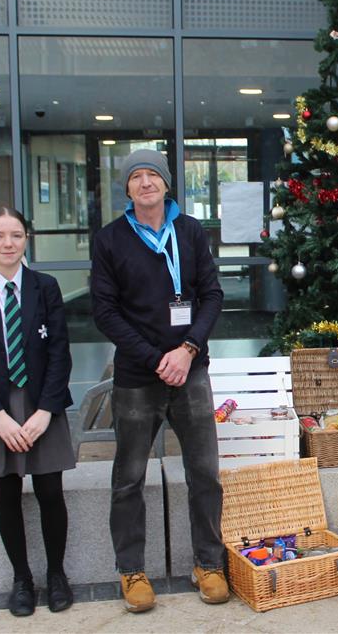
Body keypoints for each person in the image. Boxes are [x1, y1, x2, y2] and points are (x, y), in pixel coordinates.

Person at [90, 149, 226, 612]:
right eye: (136, 177)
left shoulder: (189, 232)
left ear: (167, 185)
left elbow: (211, 294)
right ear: (126, 189)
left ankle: (208, 563)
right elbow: (105, 312)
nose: (145, 183)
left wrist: (186, 351)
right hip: (136, 376)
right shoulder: (109, 240)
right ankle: (131, 571)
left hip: (191, 371)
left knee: (205, 473)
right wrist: (156, 359)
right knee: (128, 477)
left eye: (153, 175)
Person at [0, 206, 76, 617]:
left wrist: (45, 411)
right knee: (6, 494)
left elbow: (60, 352)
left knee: (49, 493)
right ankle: (21, 578)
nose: (9, 244)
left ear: (27, 240)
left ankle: (56, 575)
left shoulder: (45, 287)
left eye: (17, 236)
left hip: (42, 403)